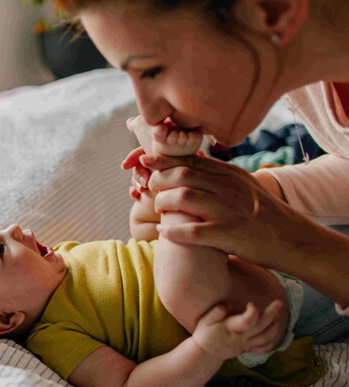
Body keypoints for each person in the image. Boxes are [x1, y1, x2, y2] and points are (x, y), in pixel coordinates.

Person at [0, 122, 324, 387]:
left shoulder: (65, 258)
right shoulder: (55, 336)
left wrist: (146, 204)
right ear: (7, 319)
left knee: (158, 226)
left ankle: (174, 185)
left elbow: (139, 250)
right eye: (0, 247)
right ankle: (181, 170)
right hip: (240, 318)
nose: (13, 228)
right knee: (178, 281)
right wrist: (207, 348)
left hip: (254, 260)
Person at [55, 0, 349, 342]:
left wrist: (285, 237)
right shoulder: (307, 67)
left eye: (152, 70)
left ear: (272, 9)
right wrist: (260, 192)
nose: (149, 114)